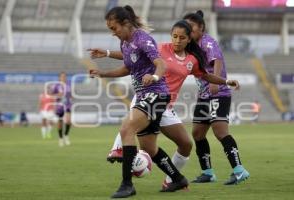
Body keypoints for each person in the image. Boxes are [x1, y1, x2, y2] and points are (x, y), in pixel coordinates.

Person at [88, 20, 240, 190]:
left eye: (182, 37)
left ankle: (171, 179)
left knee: (186, 144)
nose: (177, 40)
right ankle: (118, 150)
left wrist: (226, 81)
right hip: (149, 97)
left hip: (166, 107)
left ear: (189, 39)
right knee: (133, 130)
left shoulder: (192, 60)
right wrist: (108, 53)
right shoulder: (160, 48)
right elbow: (132, 54)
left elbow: (206, 76)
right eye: (174, 36)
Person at [89, 5, 189, 198]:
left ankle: (127, 184)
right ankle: (177, 179)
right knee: (149, 148)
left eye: (114, 28)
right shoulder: (125, 43)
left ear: (125, 23)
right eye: (110, 29)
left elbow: (161, 63)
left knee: (127, 128)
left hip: (156, 94)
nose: (113, 33)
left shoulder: (143, 38)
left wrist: (155, 77)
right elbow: (129, 68)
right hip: (145, 96)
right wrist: (104, 73)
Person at [183, 10, 249, 185]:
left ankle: (239, 170)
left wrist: (216, 82)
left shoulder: (207, 41)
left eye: (191, 27)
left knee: (220, 132)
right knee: (197, 133)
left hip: (218, 93)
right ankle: (208, 173)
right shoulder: (190, 46)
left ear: (201, 28)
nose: (188, 31)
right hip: (203, 96)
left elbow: (217, 60)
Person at [53, 72, 72, 147]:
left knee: (68, 121)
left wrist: (71, 96)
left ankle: (66, 135)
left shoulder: (68, 84)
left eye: (65, 76)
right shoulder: (56, 85)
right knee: (60, 122)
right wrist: (58, 95)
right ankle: (60, 138)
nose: (64, 78)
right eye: (62, 76)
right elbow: (52, 94)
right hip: (59, 106)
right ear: (59, 78)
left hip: (67, 105)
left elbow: (71, 94)